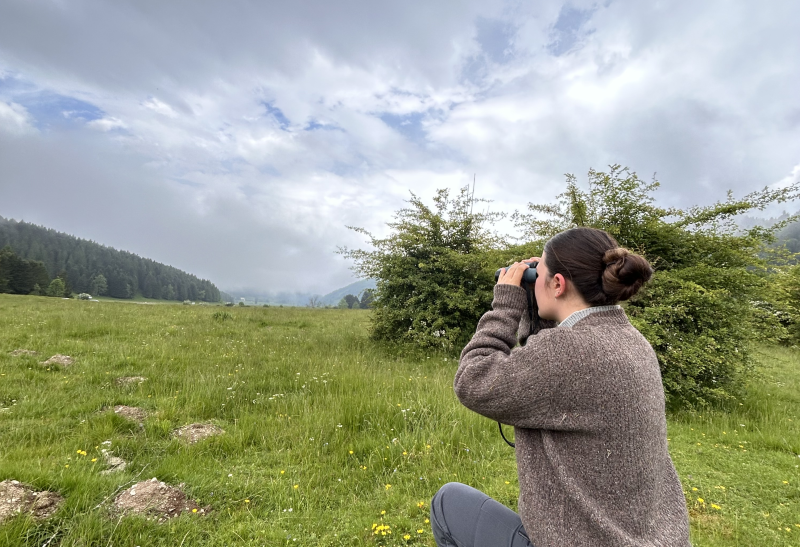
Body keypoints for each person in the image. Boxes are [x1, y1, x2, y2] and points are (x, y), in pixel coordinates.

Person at [430, 227, 691, 547]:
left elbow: (473, 380)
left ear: (557, 284)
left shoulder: (569, 351)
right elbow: (546, 368)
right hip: (655, 538)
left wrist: (506, 305)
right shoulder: (631, 340)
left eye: (538, 273)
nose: (534, 278)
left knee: (448, 503)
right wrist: (534, 301)